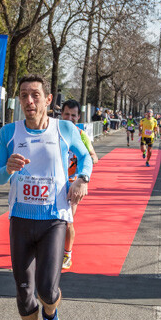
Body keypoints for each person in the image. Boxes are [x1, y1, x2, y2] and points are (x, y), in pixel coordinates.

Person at [0, 75, 92, 320]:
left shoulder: (65, 129)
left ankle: (51, 315)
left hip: (53, 220)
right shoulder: (9, 132)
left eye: (35, 94)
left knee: (46, 290)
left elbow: (85, 157)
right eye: (23, 95)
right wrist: (7, 169)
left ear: (48, 99)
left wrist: (82, 179)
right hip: (21, 220)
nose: (29, 101)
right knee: (24, 292)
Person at [59, 100, 99, 270]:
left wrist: (82, 172)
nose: (70, 118)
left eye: (73, 115)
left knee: (68, 221)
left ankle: (67, 254)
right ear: (61, 114)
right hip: (53, 182)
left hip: (72, 184)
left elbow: (93, 157)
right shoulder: (54, 130)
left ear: (78, 117)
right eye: (67, 114)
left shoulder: (81, 134)